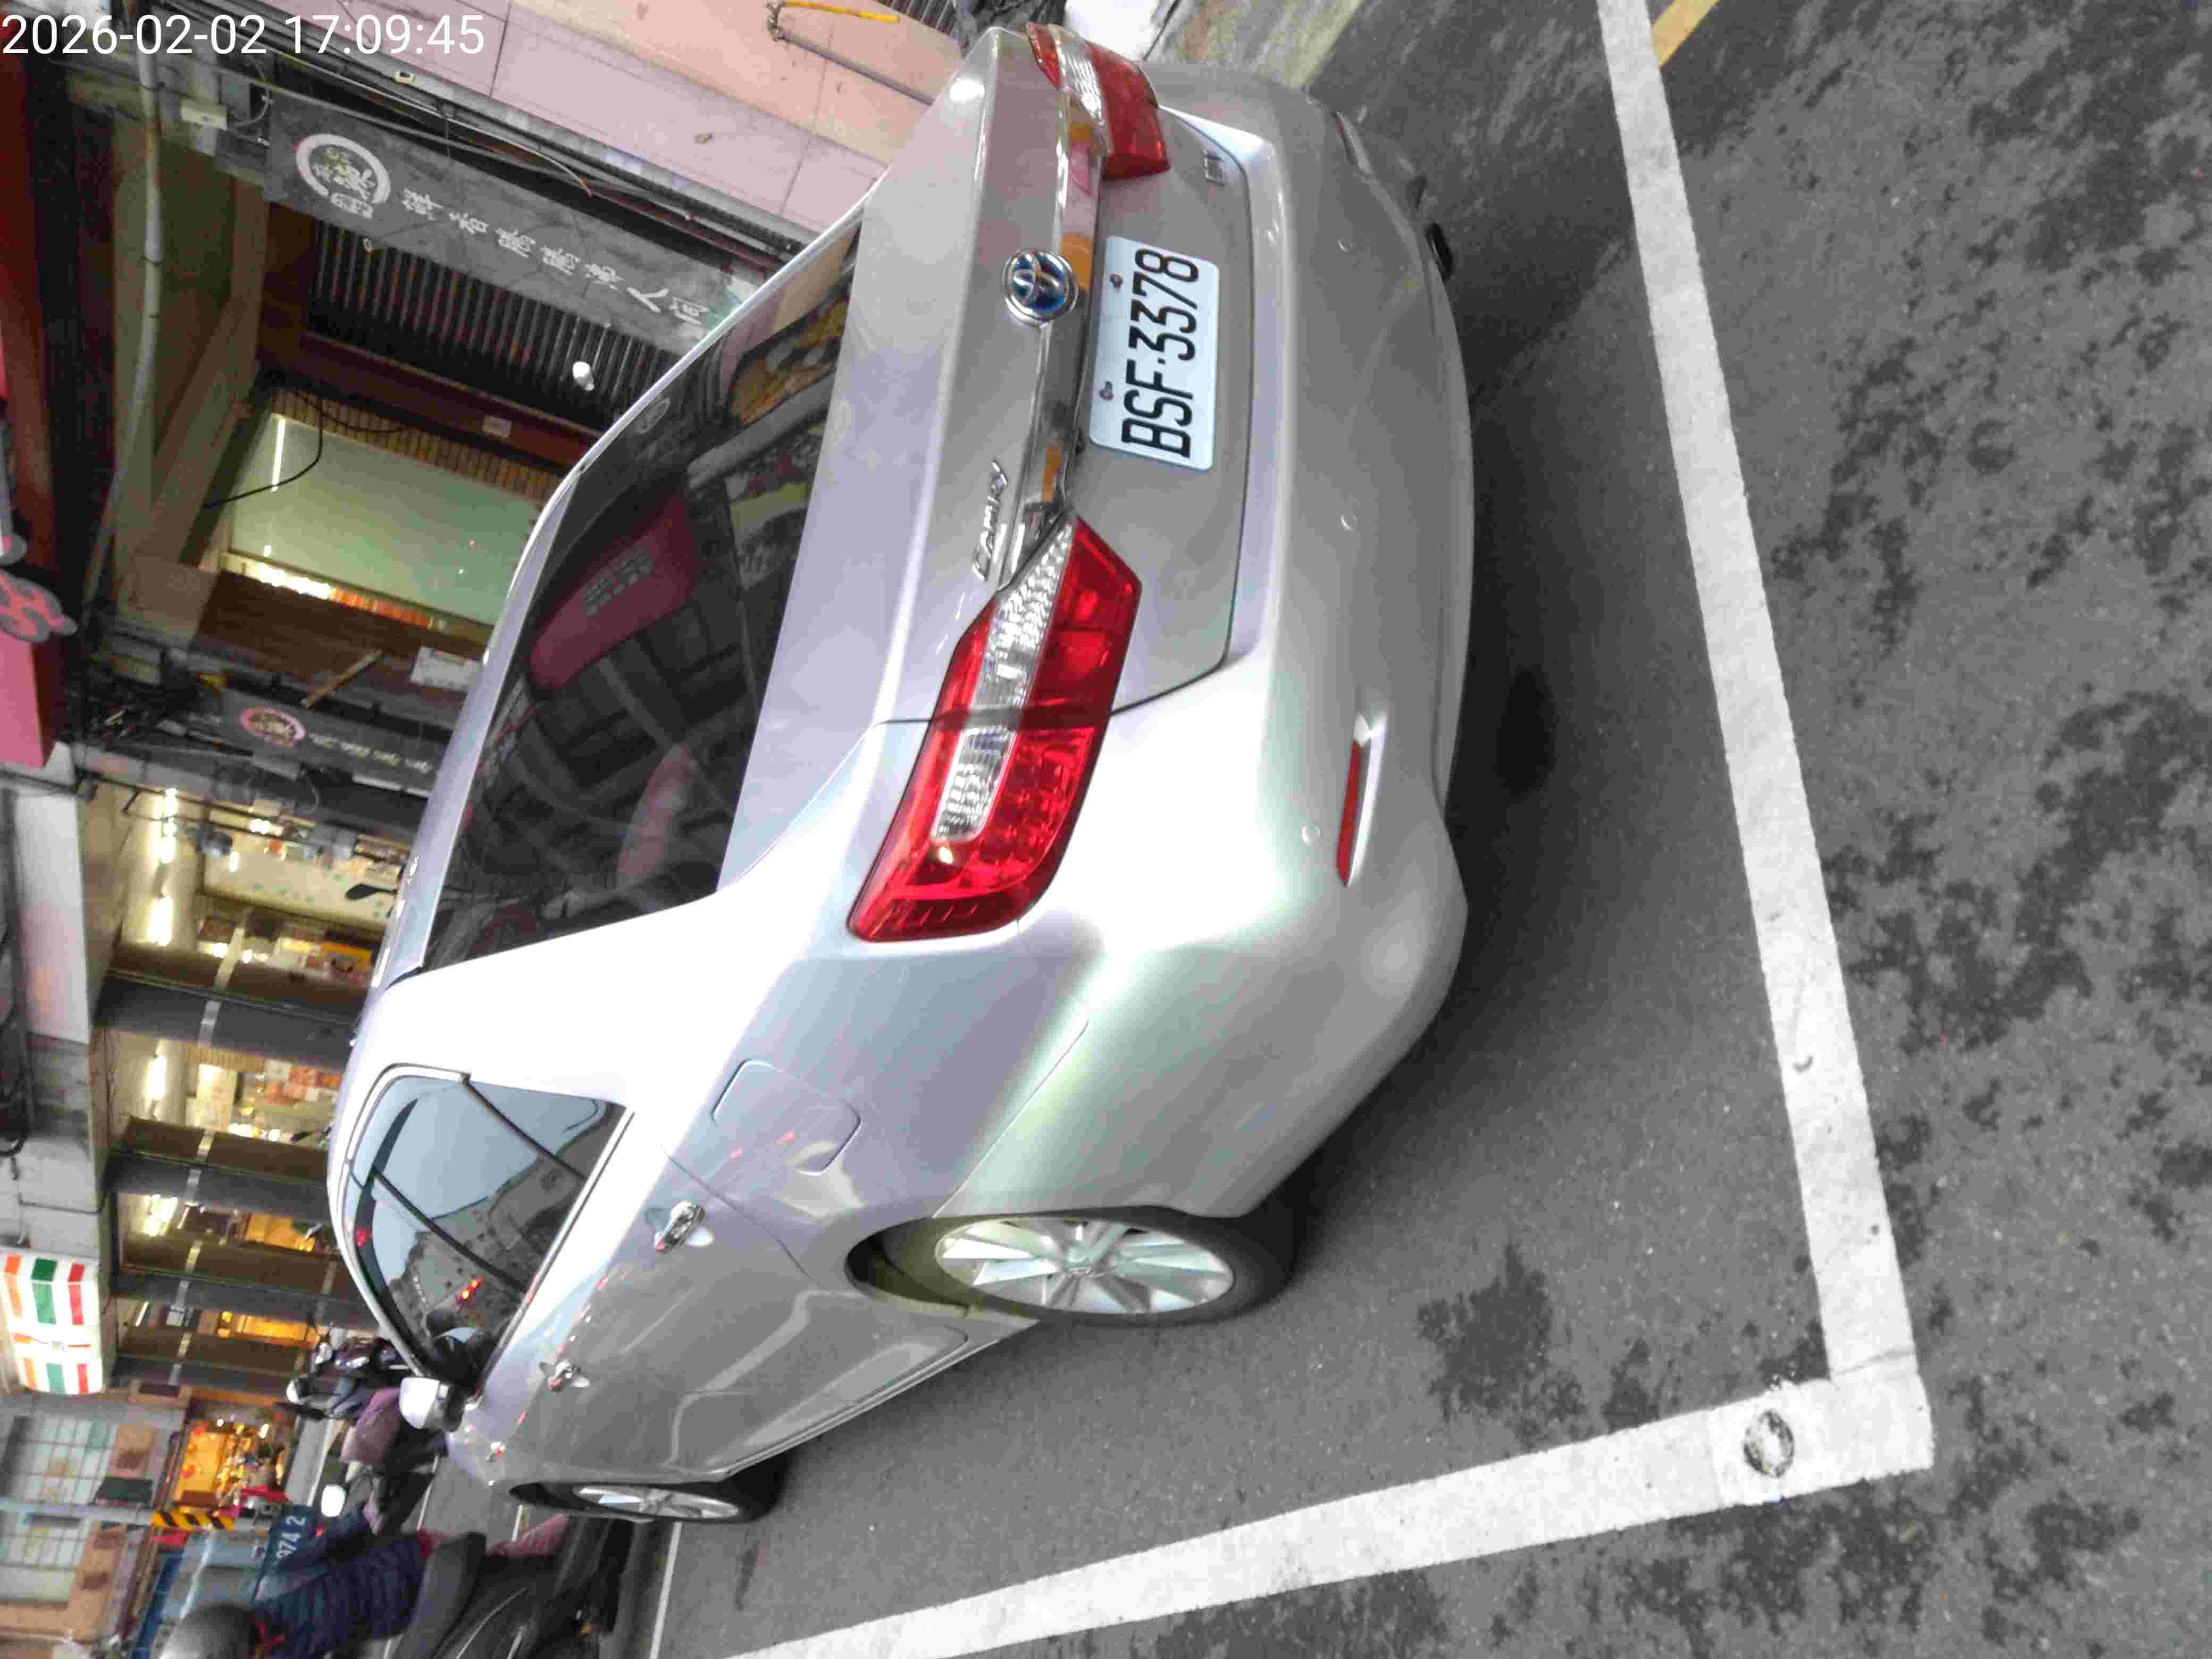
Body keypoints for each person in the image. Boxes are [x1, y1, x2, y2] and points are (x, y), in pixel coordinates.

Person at [157, 1507, 572, 1659]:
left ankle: (581, 1521)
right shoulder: (284, 1653)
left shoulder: (280, 1583)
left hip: (421, 1565)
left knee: (510, 1563)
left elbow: (335, 1539)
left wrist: (370, 1510)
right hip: (416, 1616)